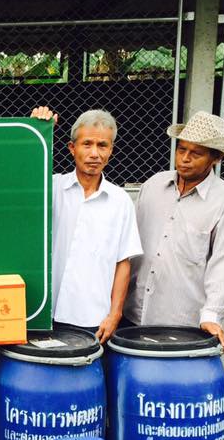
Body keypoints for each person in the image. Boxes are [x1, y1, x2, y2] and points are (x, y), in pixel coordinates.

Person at [123, 111, 224, 349]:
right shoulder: (153, 185)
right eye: (181, 149)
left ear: (216, 158)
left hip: (182, 324)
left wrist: (212, 315)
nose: (185, 158)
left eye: (196, 153)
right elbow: (129, 245)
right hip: (131, 315)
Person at [30, 106, 142, 342]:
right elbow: (18, 182)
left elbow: (123, 262)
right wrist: (35, 131)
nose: (94, 154)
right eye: (87, 144)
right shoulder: (51, 188)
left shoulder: (120, 201)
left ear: (111, 150)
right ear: (72, 148)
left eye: (102, 146)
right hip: (47, 313)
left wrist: (115, 314)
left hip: (94, 318)